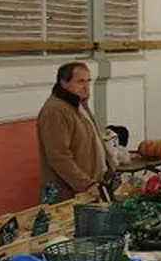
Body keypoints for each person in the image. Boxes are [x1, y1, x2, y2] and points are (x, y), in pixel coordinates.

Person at [37, 62, 114, 199]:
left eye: (88, 81)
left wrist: (111, 166)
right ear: (63, 83)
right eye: (80, 81)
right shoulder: (55, 111)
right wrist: (86, 184)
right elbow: (59, 157)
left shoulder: (79, 103)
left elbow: (94, 140)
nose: (86, 86)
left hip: (95, 186)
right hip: (74, 193)